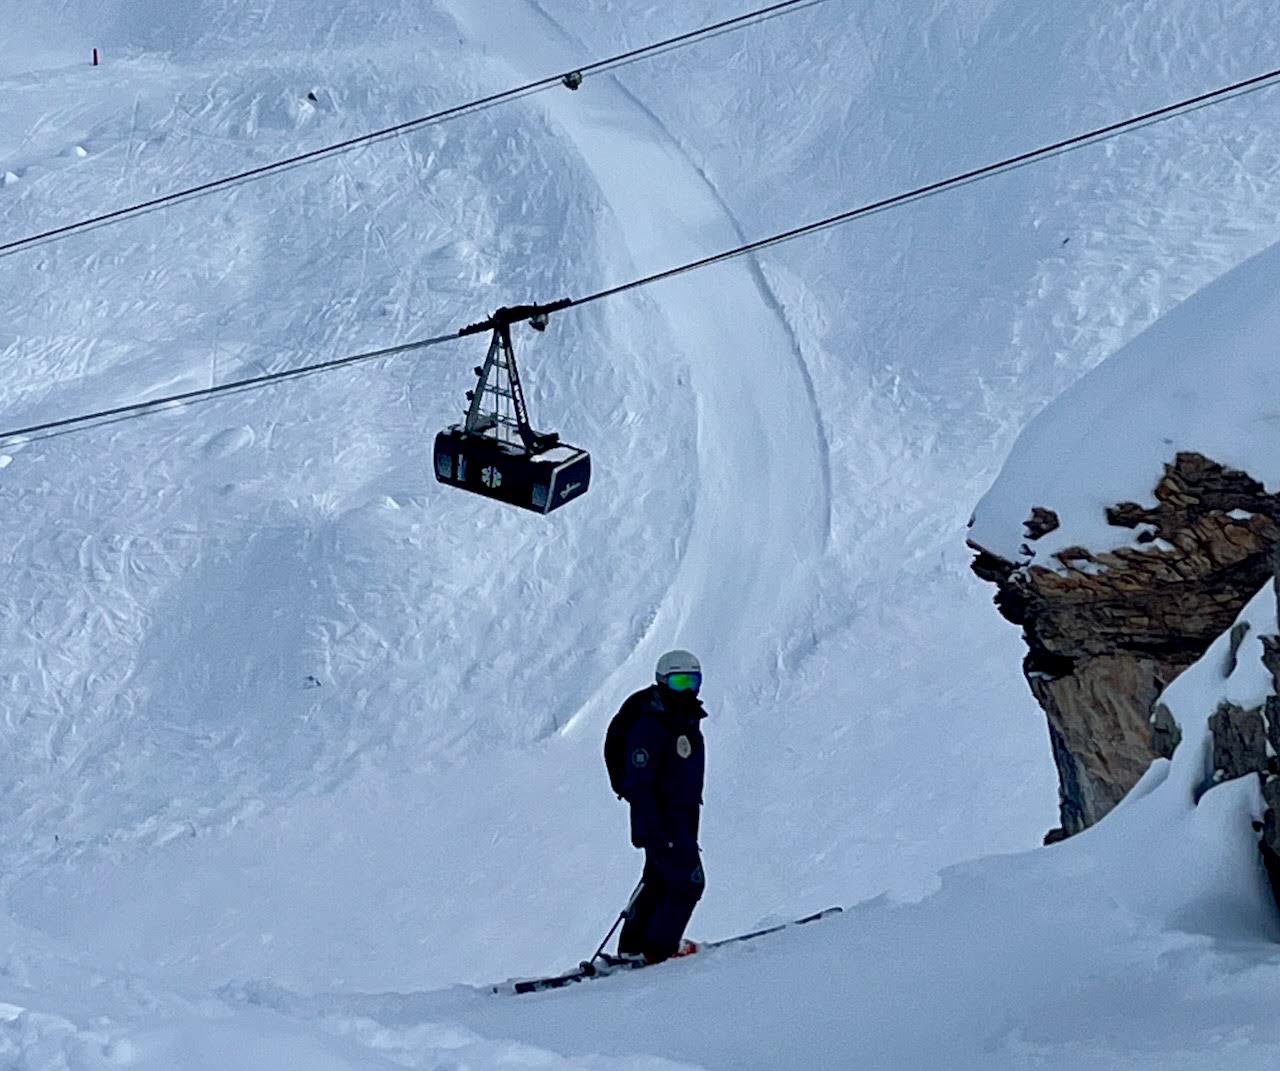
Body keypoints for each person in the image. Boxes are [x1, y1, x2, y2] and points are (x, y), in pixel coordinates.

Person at [610, 649, 707, 964]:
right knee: (688, 883)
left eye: (692, 682)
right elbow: (640, 782)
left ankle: (634, 947)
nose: (686, 690)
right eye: (679, 682)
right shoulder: (652, 724)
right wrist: (653, 826)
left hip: (680, 817)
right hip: (661, 819)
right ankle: (659, 951)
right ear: (662, 681)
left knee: (658, 879)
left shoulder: (680, 718)